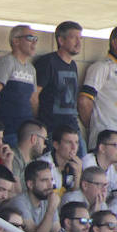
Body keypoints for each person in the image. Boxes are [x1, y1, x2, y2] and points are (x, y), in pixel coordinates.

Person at [78, 25, 117, 151]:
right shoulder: (102, 67)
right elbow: (84, 101)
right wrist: (96, 127)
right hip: (105, 146)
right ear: (114, 43)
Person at [36, 21, 83, 154]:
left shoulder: (73, 65)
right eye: (74, 38)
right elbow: (35, 95)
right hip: (53, 130)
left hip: (73, 128)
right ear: (61, 40)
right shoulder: (48, 62)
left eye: (80, 38)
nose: (78, 42)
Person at [0, 25, 39, 144]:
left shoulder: (31, 69)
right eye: (30, 38)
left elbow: (33, 100)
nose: (34, 43)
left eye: (35, 39)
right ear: (15, 41)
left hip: (26, 133)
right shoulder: (7, 62)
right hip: (8, 130)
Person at [10, 160, 60, 232]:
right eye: (44, 180)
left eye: (51, 180)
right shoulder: (19, 202)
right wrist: (51, 209)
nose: (50, 185)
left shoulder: (47, 199)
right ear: (30, 184)